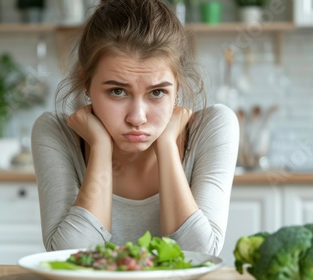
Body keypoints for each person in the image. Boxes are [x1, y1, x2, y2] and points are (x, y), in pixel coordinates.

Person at [31, 0, 239, 256]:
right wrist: (100, 148)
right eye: (117, 91)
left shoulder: (213, 126)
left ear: (177, 88)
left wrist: (166, 146)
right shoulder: (56, 133)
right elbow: (67, 256)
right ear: (87, 84)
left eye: (157, 92)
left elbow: (201, 254)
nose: (137, 117)